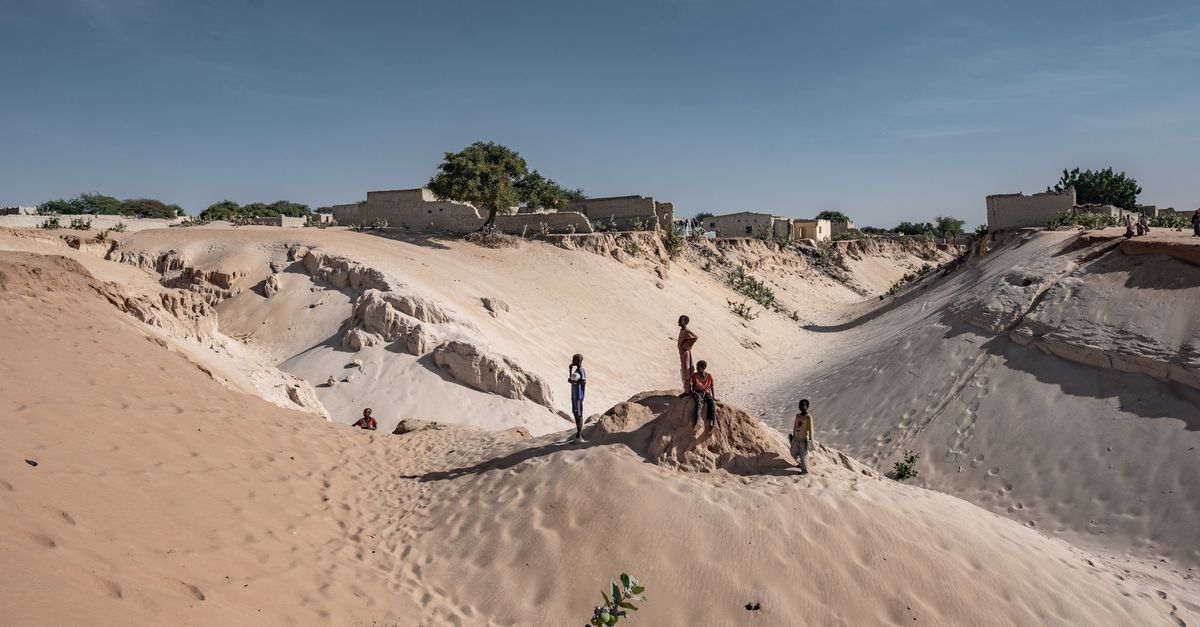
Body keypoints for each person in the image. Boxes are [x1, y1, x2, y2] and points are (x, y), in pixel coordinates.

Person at [789, 399, 815, 474]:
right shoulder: (798, 416)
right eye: (800, 405)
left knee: (804, 456)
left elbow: (811, 430)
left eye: (803, 405)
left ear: (807, 406)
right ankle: (800, 463)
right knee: (792, 451)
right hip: (796, 438)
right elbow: (795, 426)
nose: (801, 407)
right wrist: (793, 436)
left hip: (803, 440)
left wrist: (810, 441)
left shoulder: (808, 417)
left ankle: (805, 471)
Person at [689, 360, 716, 427]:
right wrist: (692, 392)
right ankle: (697, 422)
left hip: (706, 393)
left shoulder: (709, 376)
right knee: (699, 403)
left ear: (703, 368)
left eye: (698, 368)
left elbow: (712, 386)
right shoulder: (695, 375)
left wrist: (713, 397)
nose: (697, 369)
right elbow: (693, 385)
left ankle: (713, 423)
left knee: (712, 403)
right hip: (698, 392)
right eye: (697, 367)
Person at [677, 315, 698, 394]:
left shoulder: (686, 330)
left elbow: (695, 337)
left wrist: (686, 346)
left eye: (681, 320)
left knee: (687, 372)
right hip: (682, 354)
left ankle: (687, 392)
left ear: (685, 322)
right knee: (684, 370)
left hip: (686, 354)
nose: (678, 321)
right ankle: (686, 390)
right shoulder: (682, 330)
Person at [568, 353, 587, 442]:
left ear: (578, 361)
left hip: (579, 396)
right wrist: (570, 371)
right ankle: (578, 433)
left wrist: (574, 382)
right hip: (574, 395)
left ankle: (579, 435)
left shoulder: (581, 370)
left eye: (574, 360)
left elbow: (583, 381)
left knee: (579, 414)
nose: (572, 361)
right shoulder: (576, 370)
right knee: (575, 413)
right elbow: (573, 380)